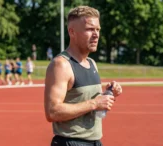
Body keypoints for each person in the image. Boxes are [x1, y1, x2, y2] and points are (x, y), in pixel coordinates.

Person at [44, 6, 123, 146]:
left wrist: (108, 94)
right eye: (90, 29)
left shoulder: (92, 63)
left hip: (95, 141)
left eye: (98, 29)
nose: (96, 34)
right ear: (72, 32)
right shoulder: (61, 65)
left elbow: (91, 106)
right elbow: (52, 111)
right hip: (70, 142)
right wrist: (95, 103)